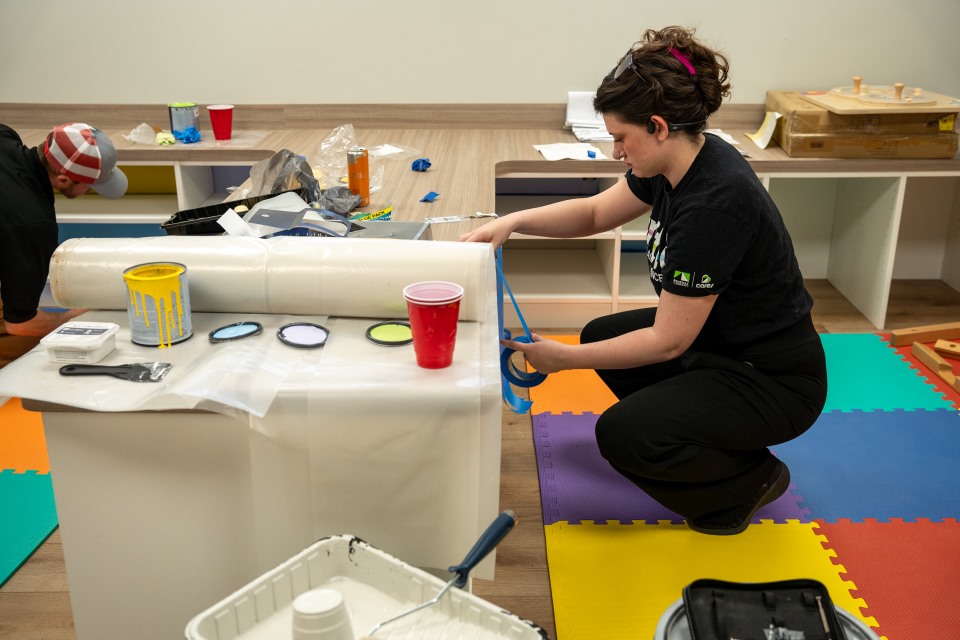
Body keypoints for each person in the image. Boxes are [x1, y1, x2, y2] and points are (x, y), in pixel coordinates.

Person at [461, 26, 827, 535]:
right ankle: (709, 437)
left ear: (657, 126)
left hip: (773, 381)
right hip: (720, 347)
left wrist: (562, 359)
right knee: (601, 336)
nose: (616, 153)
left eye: (619, 138)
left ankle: (747, 482)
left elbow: (667, 341)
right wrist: (513, 223)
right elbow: (592, 215)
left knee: (623, 435)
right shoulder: (676, 162)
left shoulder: (715, 204)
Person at [0, 122, 127, 365]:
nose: (91, 190)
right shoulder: (32, 224)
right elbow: (20, 323)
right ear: (63, 178)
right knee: (34, 356)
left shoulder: (4, 135)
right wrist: (69, 318)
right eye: (90, 185)